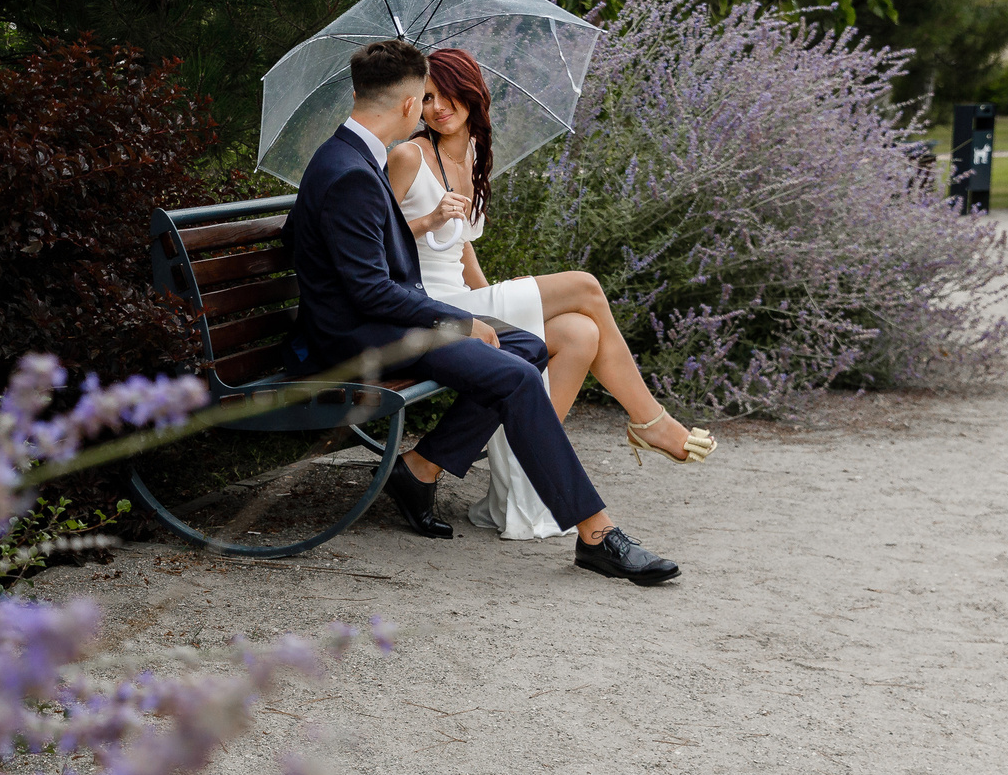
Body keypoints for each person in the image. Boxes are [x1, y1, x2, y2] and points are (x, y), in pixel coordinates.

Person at [282, 36, 681, 584]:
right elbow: (371, 291)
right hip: (361, 339)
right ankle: (597, 534)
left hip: (383, 323)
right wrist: (461, 321)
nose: (427, 110)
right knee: (516, 377)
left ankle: (419, 470)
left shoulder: (347, 158)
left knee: (527, 344)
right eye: (423, 97)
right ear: (406, 104)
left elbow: (304, 242)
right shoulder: (352, 171)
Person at [387, 46, 716, 539]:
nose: (439, 107)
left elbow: (462, 249)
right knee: (585, 287)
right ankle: (650, 422)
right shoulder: (408, 155)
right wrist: (430, 219)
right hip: (429, 307)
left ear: (473, 93)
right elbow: (376, 242)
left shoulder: (472, 154)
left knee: (581, 333)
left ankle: (527, 474)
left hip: (467, 300)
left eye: (450, 93)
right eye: (429, 96)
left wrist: (491, 297)